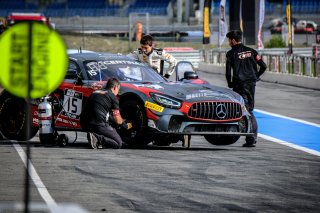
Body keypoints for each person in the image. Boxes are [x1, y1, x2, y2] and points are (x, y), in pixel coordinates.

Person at [225, 30, 267, 147]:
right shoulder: (252, 51)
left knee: (245, 110)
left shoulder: (230, 53)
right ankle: (250, 138)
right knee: (249, 109)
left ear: (233, 40)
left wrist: (230, 83)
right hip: (251, 84)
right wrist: (256, 76)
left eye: (229, 40)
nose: (229, 43)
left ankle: (251, 138)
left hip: (239, 85)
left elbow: (228, 73)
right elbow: (263, 66)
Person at [80, 78, 132, 149]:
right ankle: (97, 138)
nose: (118, 92)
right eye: (118, 90)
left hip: (84, 124)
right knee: (118, 143)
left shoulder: (95, 92)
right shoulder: (112, 97)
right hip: (98, 125)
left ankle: (95, 136)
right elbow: (118, 121)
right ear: (115, 87)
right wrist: (125, 125)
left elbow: (104, 113)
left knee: (108, 126)